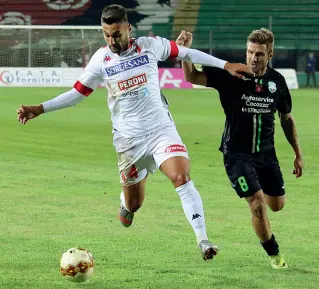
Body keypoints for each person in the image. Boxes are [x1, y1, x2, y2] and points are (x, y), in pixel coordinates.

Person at [17, 4, 252, 261]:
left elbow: (186, 52)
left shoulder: (151, 46)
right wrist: (40, 108)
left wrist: (226, 64)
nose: (111, 41)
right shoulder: (101, 59)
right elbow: (76, 94)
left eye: (116, 34)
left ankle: (203, 239)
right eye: (106, 35)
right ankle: (126, 204)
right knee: (134, 204)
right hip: (128, 142)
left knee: (181, 177)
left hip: (161, 129)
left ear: (129, 29)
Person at [177, 28, 304, 268]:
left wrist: (298, 154)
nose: (253, 58)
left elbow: (286, 118)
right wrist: (184, 51)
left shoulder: (277, 82)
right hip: (236, 155)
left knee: (277, 205)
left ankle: (262, 215)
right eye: (250, 52)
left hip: (267, 155)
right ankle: (275, 255)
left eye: (259, 54)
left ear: (270, 54)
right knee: (257, 204)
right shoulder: (231, 74)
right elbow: (192, 77)